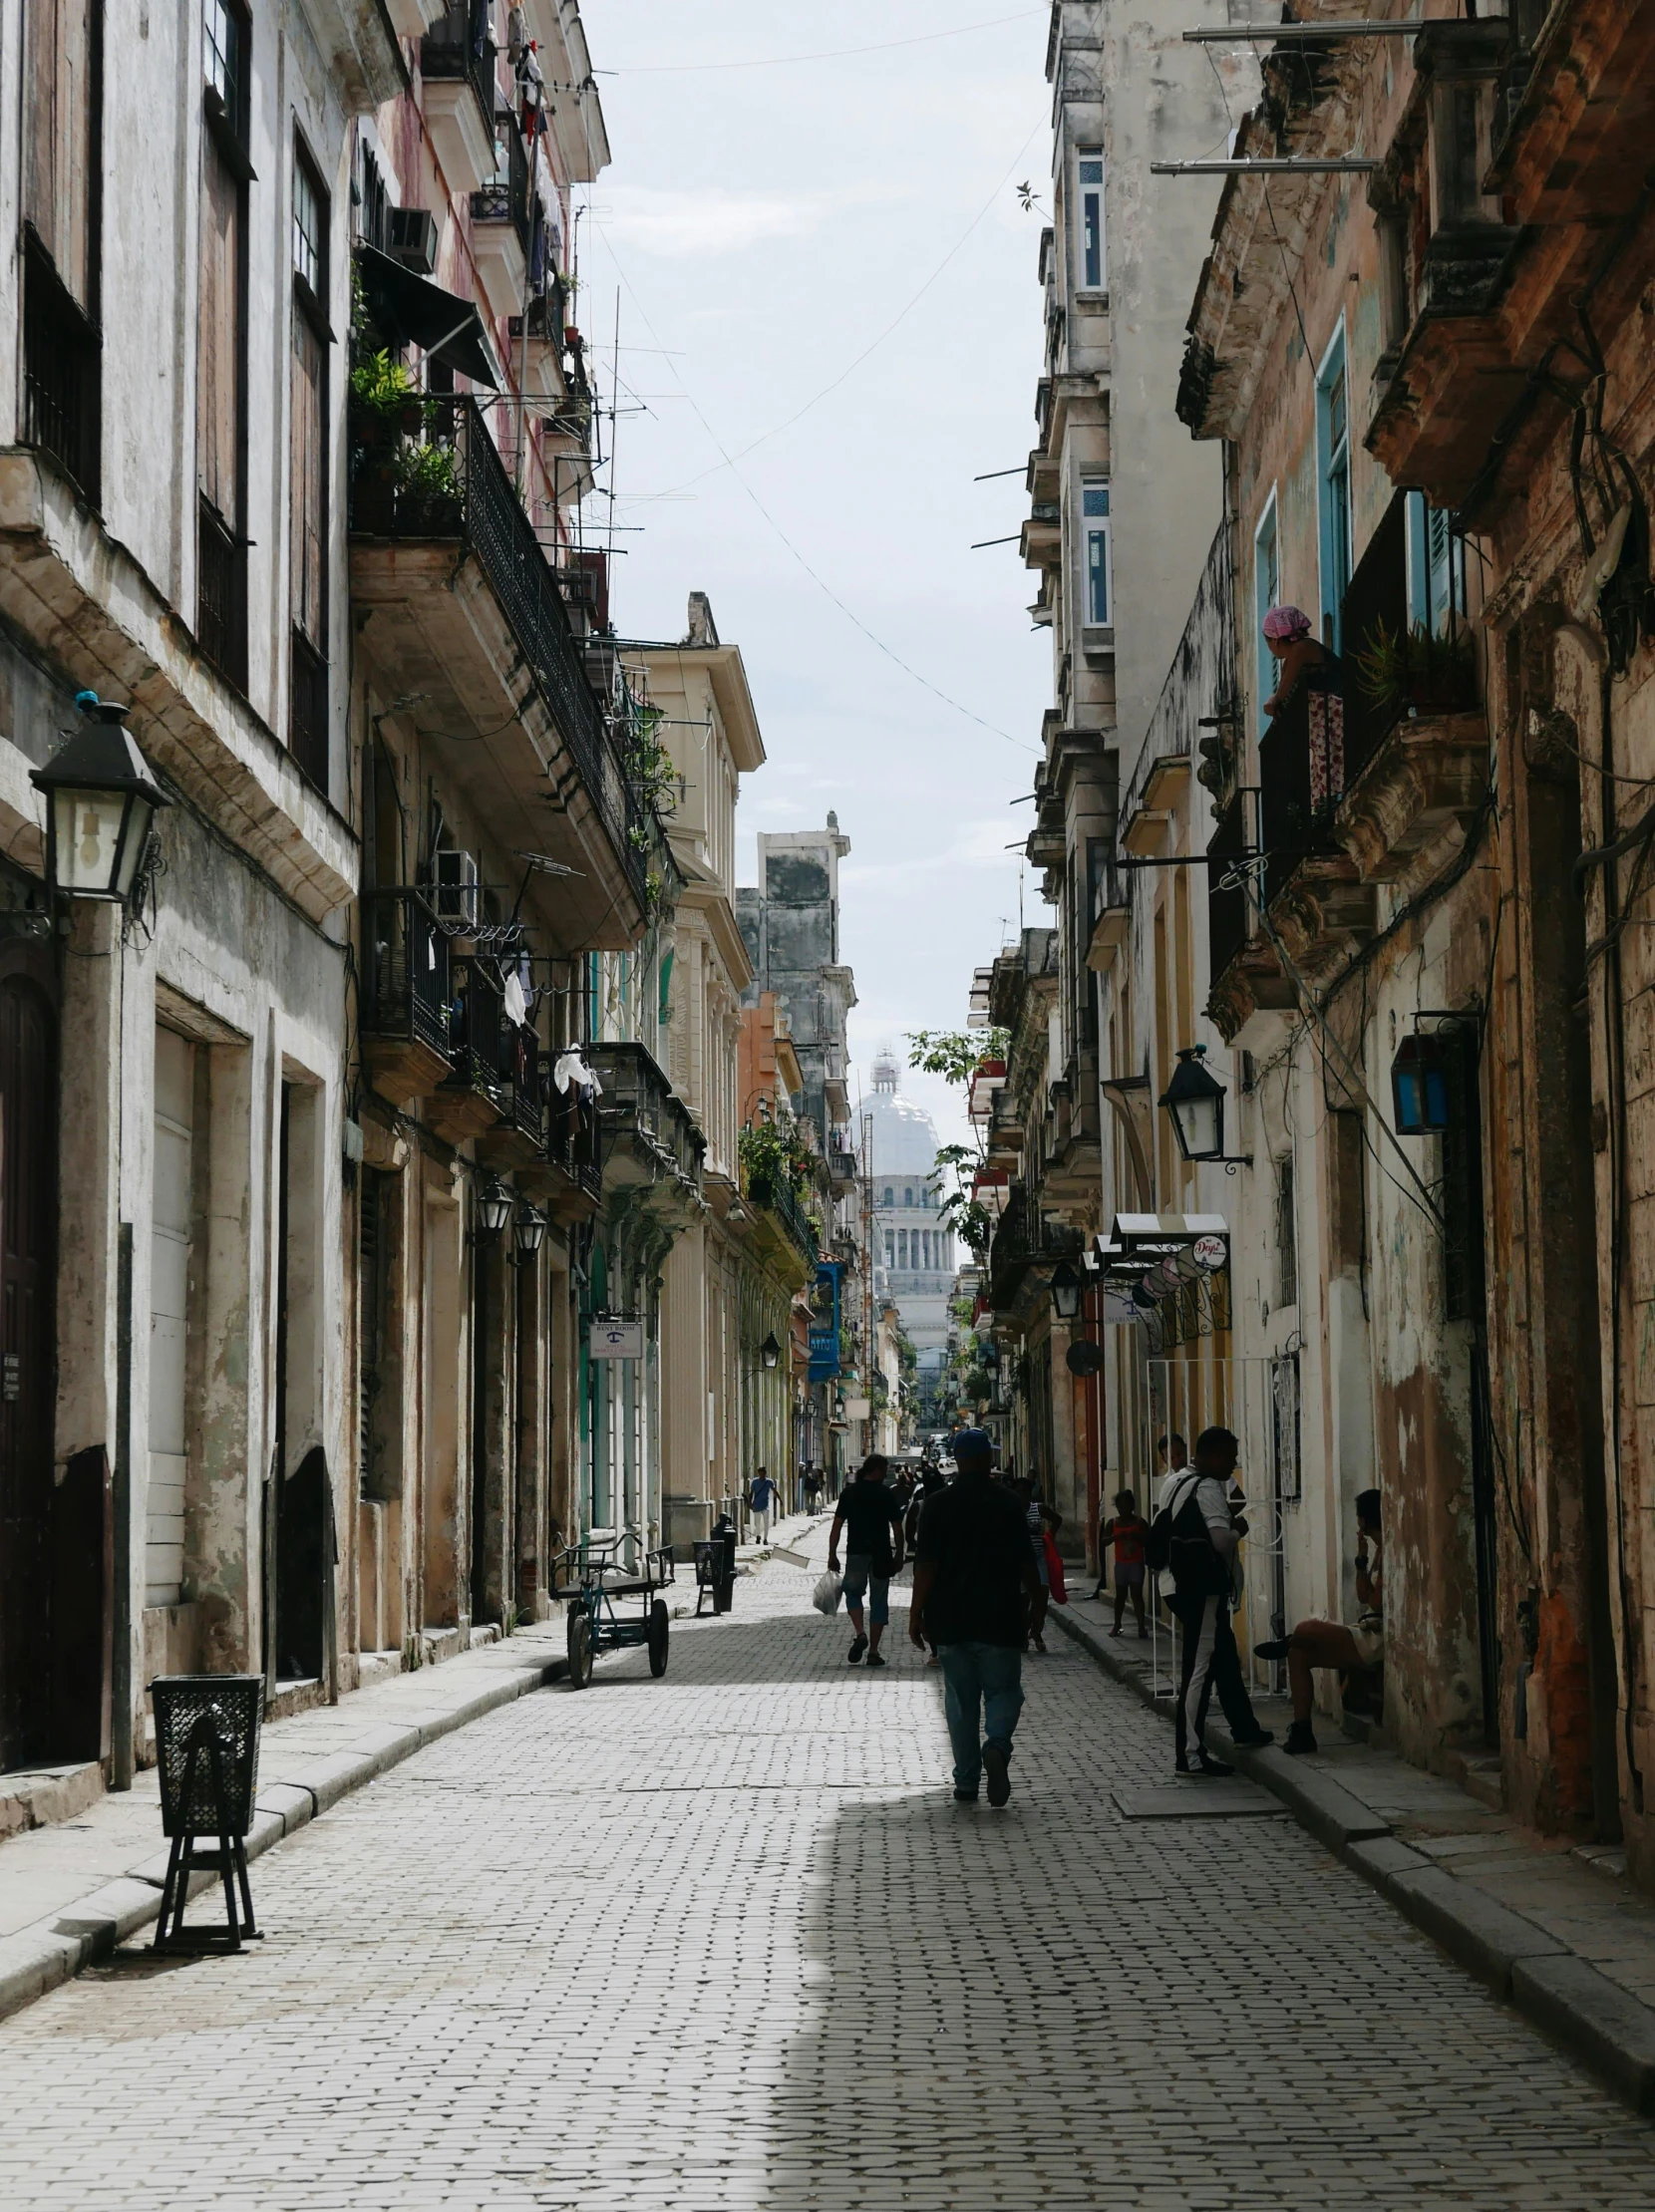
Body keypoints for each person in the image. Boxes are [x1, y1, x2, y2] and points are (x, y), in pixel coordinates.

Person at [910, 1428, 1041, 1805]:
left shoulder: (935, 1505)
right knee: (1004, 1692)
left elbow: (926, 1567)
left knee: (960, 1703)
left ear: (958, 1460)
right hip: (1000, 1617)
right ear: (984, 1460)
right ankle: (997, 1745)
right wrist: (1038, 1604)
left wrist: (916, 1613)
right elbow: (1025, 1562)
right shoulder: (1008, 1504)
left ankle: (967, 1781)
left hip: (949, 1621)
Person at [1159, 1427, 1273, 1776]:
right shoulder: (1207, 1487)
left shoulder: (1177, 1483)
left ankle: (1244, 1729)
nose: (1234, 1464)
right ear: (1210, 1456)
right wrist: (1240, 1527)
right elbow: (1221, 1541)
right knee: (1199, 1671)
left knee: (1221, 1659)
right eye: (1230, 1457)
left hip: (1179, 1585)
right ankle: (1190, 1755)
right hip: (1203, 1590)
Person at [1255, 1489, 1384, 1754]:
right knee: (1298, 1654)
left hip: (1379, 1637)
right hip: (1368, 1629)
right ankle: (1302, 1731)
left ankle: (1289, 1638)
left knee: (1306, 1629)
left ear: (1364, 1519)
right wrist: (1362, 1559)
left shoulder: (1392, 1550)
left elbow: (1377, 1603)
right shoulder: (1379, 1551)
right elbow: (1364, 1595)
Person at [828, 1453, 904, 1668]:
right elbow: (897, 1528)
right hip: (881, 1555)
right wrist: (899, 1553)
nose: (886, 1474)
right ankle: (873, 1651)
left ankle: (860, 1632)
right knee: (879, 1600)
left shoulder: (850, 1493)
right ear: (877, 1470)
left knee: (853, 1593)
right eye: (885, 1470)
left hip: (856, 1552)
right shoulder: (885, 1494)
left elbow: (837, 1526)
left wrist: (832, 1554)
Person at [1095, 1488, 1150, 1637]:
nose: (1122, 1509)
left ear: (1132, 1506)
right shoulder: (1113, 1523)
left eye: (1125, 1506)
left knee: (1137, 1595)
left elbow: (1148, 1541)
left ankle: (1141, 1626)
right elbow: (1104, 1541)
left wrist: (1136, 1536)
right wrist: (1116, 1537)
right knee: (1120, 1595)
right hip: (1121, 1564)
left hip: (1136, 1563)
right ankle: (1117, 1624)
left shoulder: (1139, 1522)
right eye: (1120, 1506)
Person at [748, 1466, 780, 1540]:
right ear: (759, 1473)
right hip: (757, 1505)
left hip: (765, 1505)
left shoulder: (769, 1482)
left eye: (764, 1473)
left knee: (766, 1523)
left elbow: (774, 1491)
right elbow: (751, 1493)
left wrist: (780, 1500)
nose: (763, 1475)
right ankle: (758, 1536)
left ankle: (765, 1539)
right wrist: (750, 1503)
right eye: (761, 1473)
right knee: (757, 1523)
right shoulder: (755, 1482)